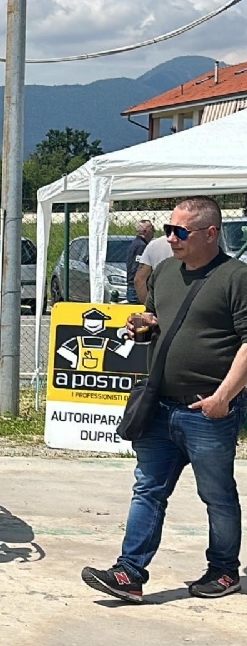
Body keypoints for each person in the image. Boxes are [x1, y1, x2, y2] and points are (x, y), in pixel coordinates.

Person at [82, 196, 247, 603]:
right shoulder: (166, 272)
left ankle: (225, 571)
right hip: (160, 406)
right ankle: (130, 573)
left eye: (180, 231)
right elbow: (158, 318)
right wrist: (144, 324)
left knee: (217, 494)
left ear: (211, 233)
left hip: (207, 410)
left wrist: (223, 398)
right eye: (168, 228)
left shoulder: (236, 277)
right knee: (148, 490)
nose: (170, 238)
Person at [133, 234, 173, 304]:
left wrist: (148, 306)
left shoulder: (154, 245)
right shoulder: (195, 242)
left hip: (159, 298)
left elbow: (139, 280)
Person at [125, 220, 154, 303]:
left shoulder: (135, 244)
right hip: (137, 288)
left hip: (132, 286)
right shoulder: (141, 246)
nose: (154, 231)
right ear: (145, 231)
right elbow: (138, 268)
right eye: (151, 229)